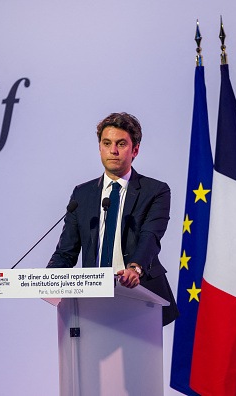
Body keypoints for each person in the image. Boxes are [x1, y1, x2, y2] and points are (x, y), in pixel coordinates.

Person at [47, 112, 179, 326]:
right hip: (91, 302)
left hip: (139, 297)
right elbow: (66, 252)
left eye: (121, 144)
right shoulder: (82, 194)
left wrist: (135, 268)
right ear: (100, 147)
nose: (113, 151)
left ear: (135, 149)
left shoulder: (155, 191)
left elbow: (150, 236)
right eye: (106, 143)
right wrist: (46, 279)